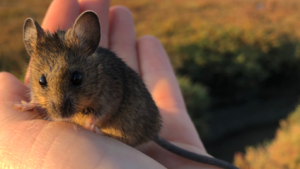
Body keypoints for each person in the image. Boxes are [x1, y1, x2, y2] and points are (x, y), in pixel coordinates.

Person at [0, 0, 218, 168]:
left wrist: (96, 119)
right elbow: (41, 90)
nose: (58, 105)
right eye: (43, 82)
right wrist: (34, 101)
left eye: (76, 80)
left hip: (132, 122)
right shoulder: (44, 67)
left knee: (128, 123)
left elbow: (112, 100)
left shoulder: (103, 78)